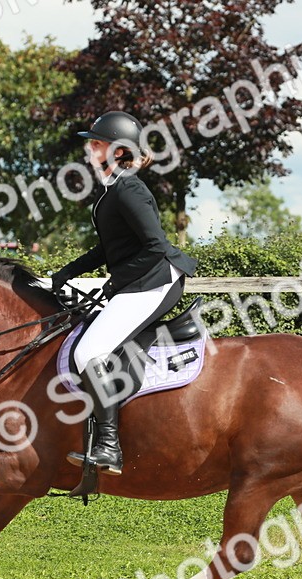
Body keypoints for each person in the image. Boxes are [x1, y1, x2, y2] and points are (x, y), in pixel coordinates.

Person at [50, 111, 198, 476]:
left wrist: (113, 283)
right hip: (141, 279)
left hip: (157, 279)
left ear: (116, 152)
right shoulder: (111, 189)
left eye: (96, 143)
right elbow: (111, 248)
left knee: (88, 351)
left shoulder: (129, 189)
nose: (89, 148)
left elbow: (155, 246)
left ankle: (109, 447)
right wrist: (70, 270)